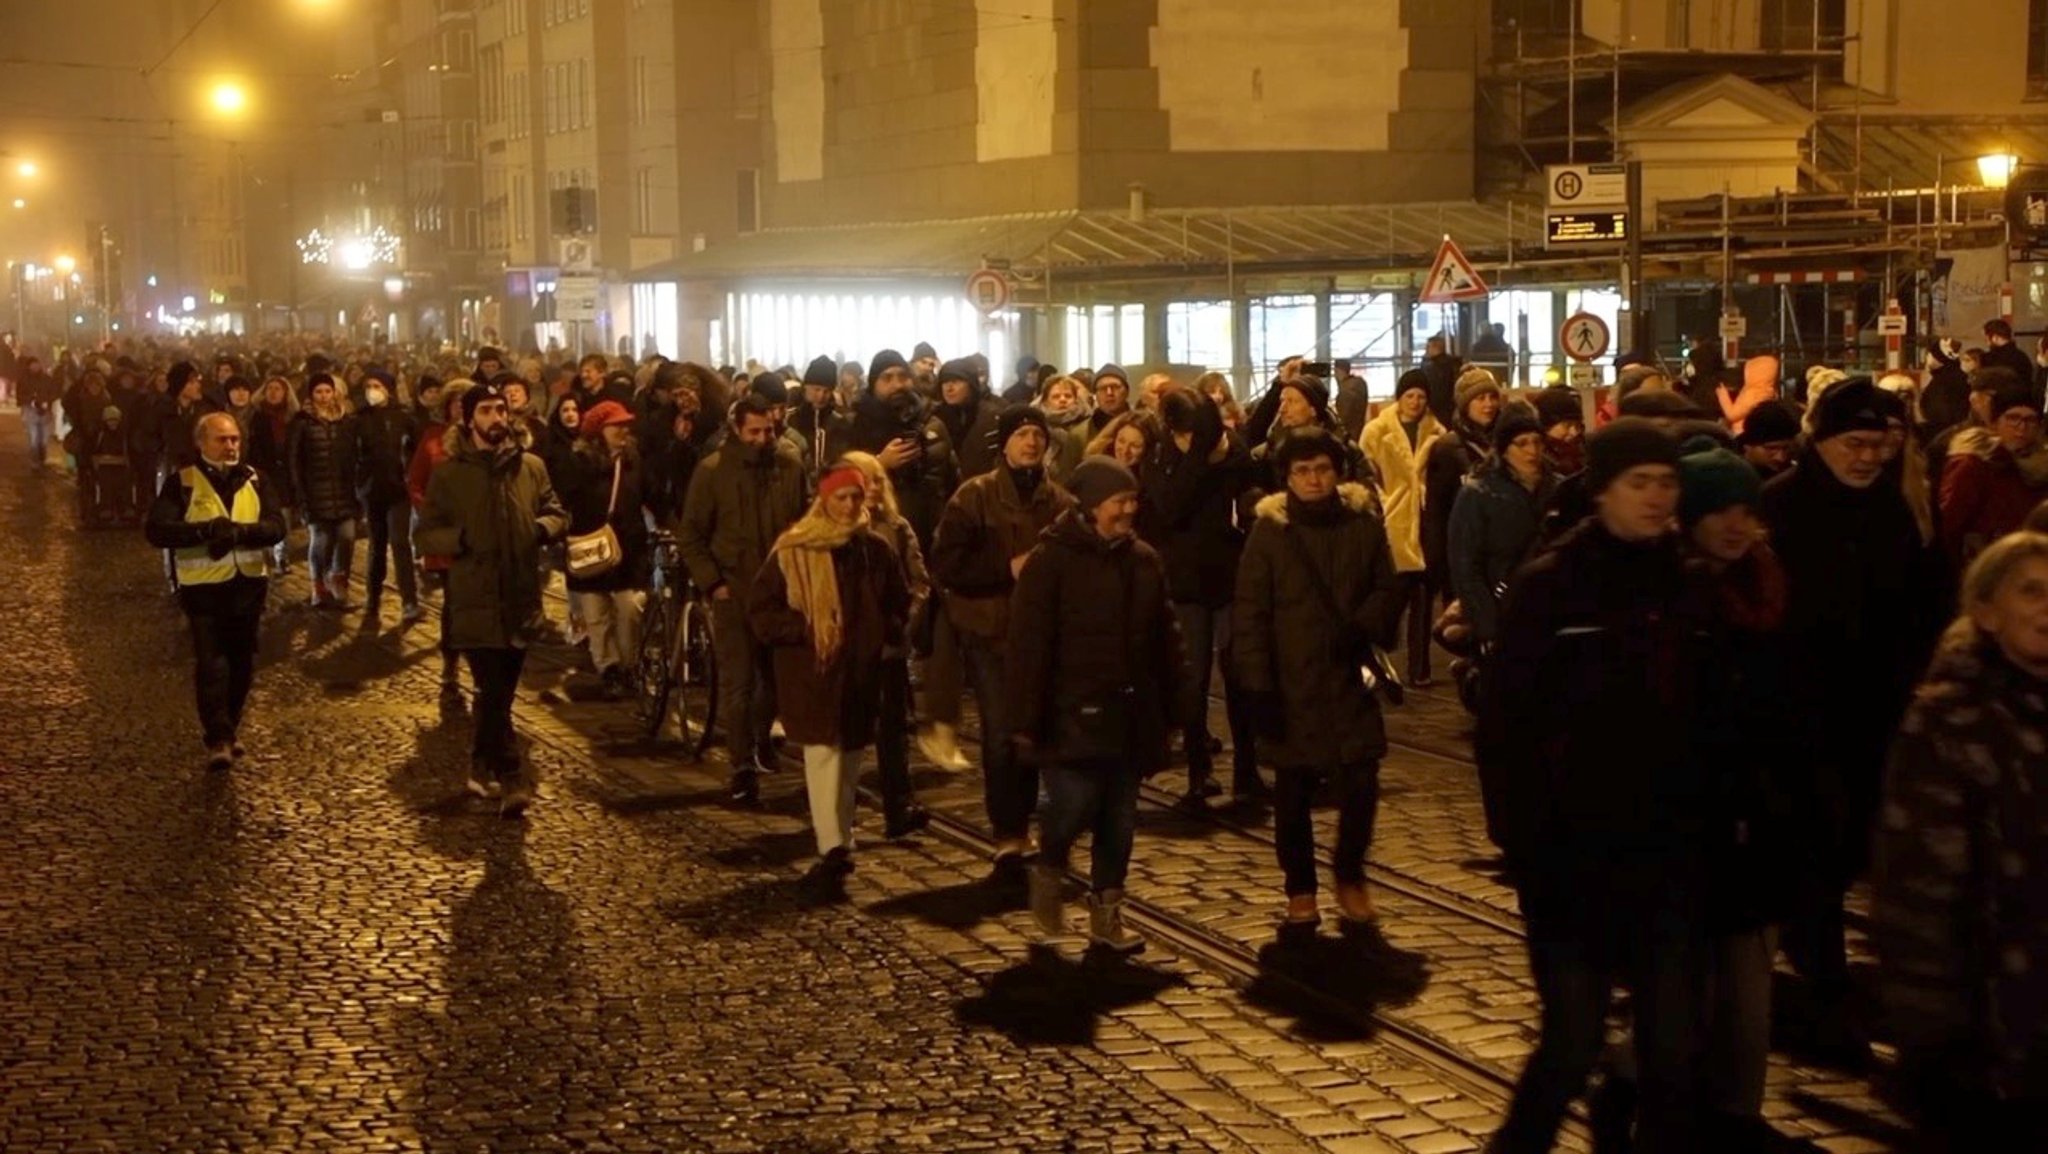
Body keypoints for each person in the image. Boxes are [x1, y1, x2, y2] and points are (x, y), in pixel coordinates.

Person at [1481, 418, 1715, 1154]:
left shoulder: (1688, 580)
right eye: (1639, 483)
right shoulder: (1553, 585)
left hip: (1666, 853)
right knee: (1573, 1038)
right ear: (1603, 490)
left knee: (1673, 1047)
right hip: (1571, 856)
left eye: (1666, 483)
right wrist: (1524, 840)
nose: (1654, 498)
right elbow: (1504, 729)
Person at [1761, 377, 1943, 1064]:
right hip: (1801, 718)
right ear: (1822, 442)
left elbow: (1921, 602)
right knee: (1816, 855)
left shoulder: (1892, 511)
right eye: (1854, 444)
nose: (1868, 457)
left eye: (1878, 444)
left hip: (1878, 713)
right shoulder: (1781, 507)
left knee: (1860, 850)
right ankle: (1825, 992)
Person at [1875, 532, 2048, 1151]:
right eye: (2030, 592)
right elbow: (1919, 884)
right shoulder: (1953, 718)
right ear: (1985, 609)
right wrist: (1933, 1029)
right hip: (1991, 1025)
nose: (2046, 607)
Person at [1676, 438, 1797, 1147]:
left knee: (1751, 987)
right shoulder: (1669, 593)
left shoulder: (1772, 583)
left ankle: (1739, 1116)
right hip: (1685, 826)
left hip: (1757, 821)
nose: (1734, 524)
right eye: (1716, 509)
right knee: (1685, 990)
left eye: (1744, 509)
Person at [1235, 428, 1404, 927]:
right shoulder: (1270, 534)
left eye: (1323, 469)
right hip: (1291, 682)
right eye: (1303, 470)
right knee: (1293, 792)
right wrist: (1257, 685)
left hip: (1349, 677)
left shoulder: (1362, 525)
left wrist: (1365, 624)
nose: (1314, 479)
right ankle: (1300, 889)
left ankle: (1349, 874)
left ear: (1338, 472)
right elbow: (1251, 614)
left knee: (1361, 782)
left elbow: (1388, 587)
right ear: (1287, 478)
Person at [1013, 456, 1182, 952]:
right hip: (1069, 712)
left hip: (1129, 713)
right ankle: (1050, 862)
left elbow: (1166, 639)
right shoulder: (1051, 561)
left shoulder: (1144, 560)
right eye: (1119, 501)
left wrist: (1174, 707)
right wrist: (1026, 716)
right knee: (1074, 805)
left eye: (1133, 499)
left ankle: (1106, 917)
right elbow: (1028, 645)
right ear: (1090, 507)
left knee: (1119, 820)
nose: (1130, 509)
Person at [748, 463, 911, 887]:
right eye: (841, 497)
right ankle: (832, 844)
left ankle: (842, 840)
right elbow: (762, 612)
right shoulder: (795, 548)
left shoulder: (874, 549)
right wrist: (807, 628)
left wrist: (885, 634)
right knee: (824, 757)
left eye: (856, 497)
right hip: (811, 670)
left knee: (850, 759)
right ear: (824, 499)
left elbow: (898, 599)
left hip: (859, 671)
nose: (850, 505)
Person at [930, 406, 1074, 878]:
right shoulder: (974, 496)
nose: (1031, 443)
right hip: (988, 630)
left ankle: (1031, 823)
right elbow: (947, 566)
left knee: (1034, 732)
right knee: (999, 733)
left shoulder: (1059, 501)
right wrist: (1004, 569)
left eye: (1038, 435)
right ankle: (1007, 833)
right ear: (1005, 444)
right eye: (1022, 435)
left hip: (1041, 636)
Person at [415, 382, 569, 816]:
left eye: (500, 409)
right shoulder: (450, 473)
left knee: (497, 691)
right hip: (474, 598)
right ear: (469, 419)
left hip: (520, 595)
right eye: (485, 410)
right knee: (493, 688)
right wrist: (460, 539)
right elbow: (425, 531)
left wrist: (542, 529)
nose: (495, 417)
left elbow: (557, 511)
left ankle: (479, 763)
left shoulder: (531, 467)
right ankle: (513, 776)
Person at [678, 392, 809, 803]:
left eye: (768, 430)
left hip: (780, 592)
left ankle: (759, 738)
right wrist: (714, 583)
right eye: (754, 431)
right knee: (739, 683)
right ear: (737, 430)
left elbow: (804, 520)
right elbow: (692, 535)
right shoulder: (713, 471)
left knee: (775, 681)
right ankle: (742, 765)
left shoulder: (789, 467)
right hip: (733, 591)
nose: (762, 438)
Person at [144, 412, 288, 769]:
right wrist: (205, 531)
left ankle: (230, 727)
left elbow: (276, 526)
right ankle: (218, 737)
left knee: (242, 662)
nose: (230, 446)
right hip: (203, 588)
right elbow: (158, 530)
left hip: (248, 584)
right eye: (222, 440)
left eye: (234, 439)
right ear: (202, 442)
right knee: (211, 663)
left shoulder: (255, 479)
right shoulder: (183, 483)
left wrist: (241, 533)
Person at [1145, 389, 1259, 804]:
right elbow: (1170, 506)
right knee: (1192, 680)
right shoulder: (1161, 456)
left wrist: (1222, 452)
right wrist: (1196, 458)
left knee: (1240, 675)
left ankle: (1247, 768)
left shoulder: (1234, 454)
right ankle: (1199, 768)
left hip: (1230, 580)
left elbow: (1253, 494)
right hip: (1186, 584)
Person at [839, 451, 933, 838]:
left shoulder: (895, 527)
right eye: (864, 480)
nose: (873, 488)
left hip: (889, 647)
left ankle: (900, 804)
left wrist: (903, 623)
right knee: (846, 731)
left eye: (878, 479)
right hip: (846, 649)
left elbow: (919, 582)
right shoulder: (832, 529)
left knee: (894, 729)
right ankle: (836, 815)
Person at [558, 400, 652, 699]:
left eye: (626, 424)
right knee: (596, 615)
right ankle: (609, 669)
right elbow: (564, 499)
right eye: (617, 425)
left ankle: (629, 666)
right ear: (600, 430)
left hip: (628, 549)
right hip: (589, 547)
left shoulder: (634, 459)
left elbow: (651, 495)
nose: (624, 430)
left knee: (630, 608)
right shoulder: (578, 461)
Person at [1360, 370, 1444, 686]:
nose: (1416, 402)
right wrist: (1380, 503)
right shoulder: (1377, 430)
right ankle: (1377, 660)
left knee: (1423, 603)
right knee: (1389, 604)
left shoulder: (1437, 432)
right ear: (1400, 396)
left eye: (1421, 396)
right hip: (1391, 523)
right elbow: (1365, 472)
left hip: (1423, 525)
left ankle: (1419, 670)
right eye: (1410, 395)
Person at [1937, 378, 2044, 570]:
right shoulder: (1974, 464)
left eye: (2030, 420)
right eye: (2013, 418)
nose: (2021, 427)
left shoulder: (2041, 468)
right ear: (1994, 423)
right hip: (1985, 568)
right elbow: (1948, 526)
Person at [409, 380, 472, 704]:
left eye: (466, 401)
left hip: (480, 532)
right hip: (448, 534)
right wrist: (429, 512)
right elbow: (416, 481)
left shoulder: (482, 437)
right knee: (453, 601)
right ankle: (451, 664)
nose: (461, 406)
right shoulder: (433, 438)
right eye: (456, 401)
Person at [1423, 368, 1502, 607]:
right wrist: (1439, 565)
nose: (1488, 404)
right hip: (1464, 561)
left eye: (1493, 397)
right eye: (1480, 398)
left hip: (1501, 557)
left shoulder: (1506, 441)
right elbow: (1437, 512)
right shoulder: (1448, 448)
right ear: (1465, 404)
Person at [352, 369, 420, 624]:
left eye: (377, 385)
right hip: (371, 491)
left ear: (388, 389)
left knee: (400, 543)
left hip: (398, 490)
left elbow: (416, 449)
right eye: (368, 385)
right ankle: (373, 599)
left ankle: (410, 600)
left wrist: (409, 475)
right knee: (376, 547)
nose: (372, 390)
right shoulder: (359, 419)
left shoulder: (403, 418)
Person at [288, 373, 361, 609]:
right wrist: (300, 495)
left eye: (327, 391)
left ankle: (339, 578)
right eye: (318, 392)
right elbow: (294, 460)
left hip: (344, 491)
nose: (324, 396)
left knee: (347, 537)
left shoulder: (346, 421)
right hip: (315, 492)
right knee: (320, 541)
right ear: (311, 395)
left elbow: (353, 456)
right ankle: (317, 585)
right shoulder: (302, 422)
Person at [1734, 399, 1799, 481]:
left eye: (1786, 448)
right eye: (1771, 448)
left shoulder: (1795, 476)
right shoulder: (1729, 476)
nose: (1781, 457)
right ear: (1748, 446)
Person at [18, 353, 60, 472]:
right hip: (31, 412)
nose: (35, 367)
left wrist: (47, 401)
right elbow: (20, 396)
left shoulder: (47, 379)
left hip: (45, 412)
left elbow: (54, 392)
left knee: (44, 440)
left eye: (37, 364)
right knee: (34, 438)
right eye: (32, 365)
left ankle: (42, 459)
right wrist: (31, 401)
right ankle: (35, 462)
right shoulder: (23, 380)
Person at [1420, 335, 1464, 427]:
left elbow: (1434, 389)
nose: (1426, 350)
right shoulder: (1454, 364)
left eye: (1428, 347)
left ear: (1435, 347)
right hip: (1451, 409)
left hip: (1438, 409)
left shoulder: (1432, 368)